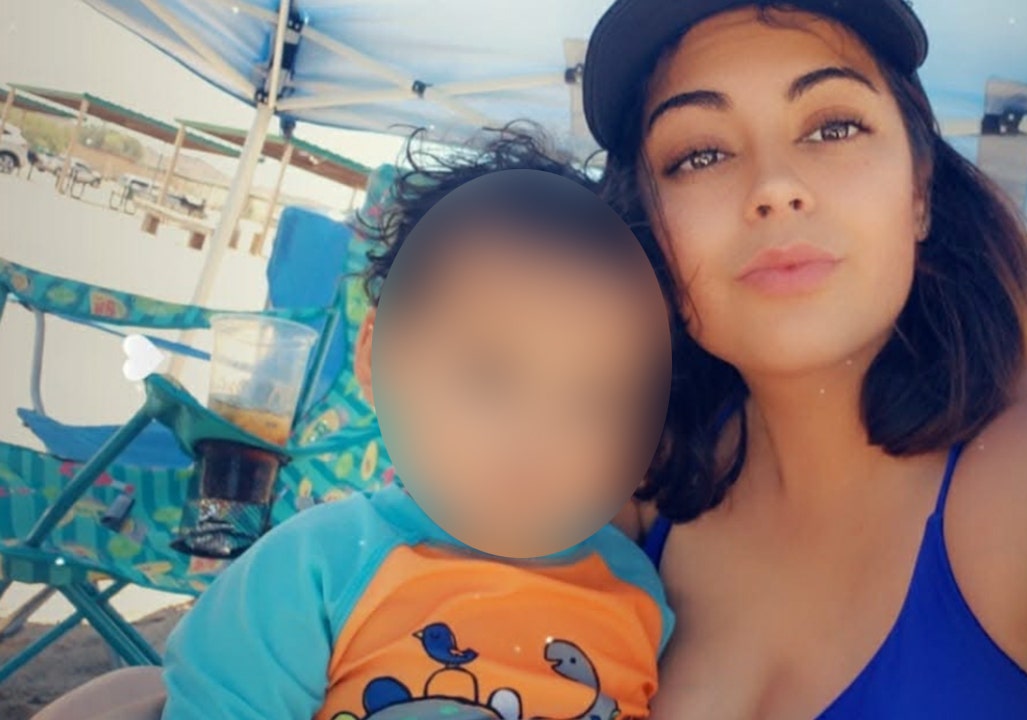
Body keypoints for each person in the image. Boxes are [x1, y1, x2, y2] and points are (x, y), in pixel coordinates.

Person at [32, 1, 1027, 718]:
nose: (774, 186)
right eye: (699, 153)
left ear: (916, 191)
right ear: (645, 236)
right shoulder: (627, 489)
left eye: (831, 125)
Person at [47, 128, 675, 720]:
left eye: (595, 401)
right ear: (377, 355)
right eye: (490, 377)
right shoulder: (312, 570)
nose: (538, 436)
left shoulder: (640, 596)